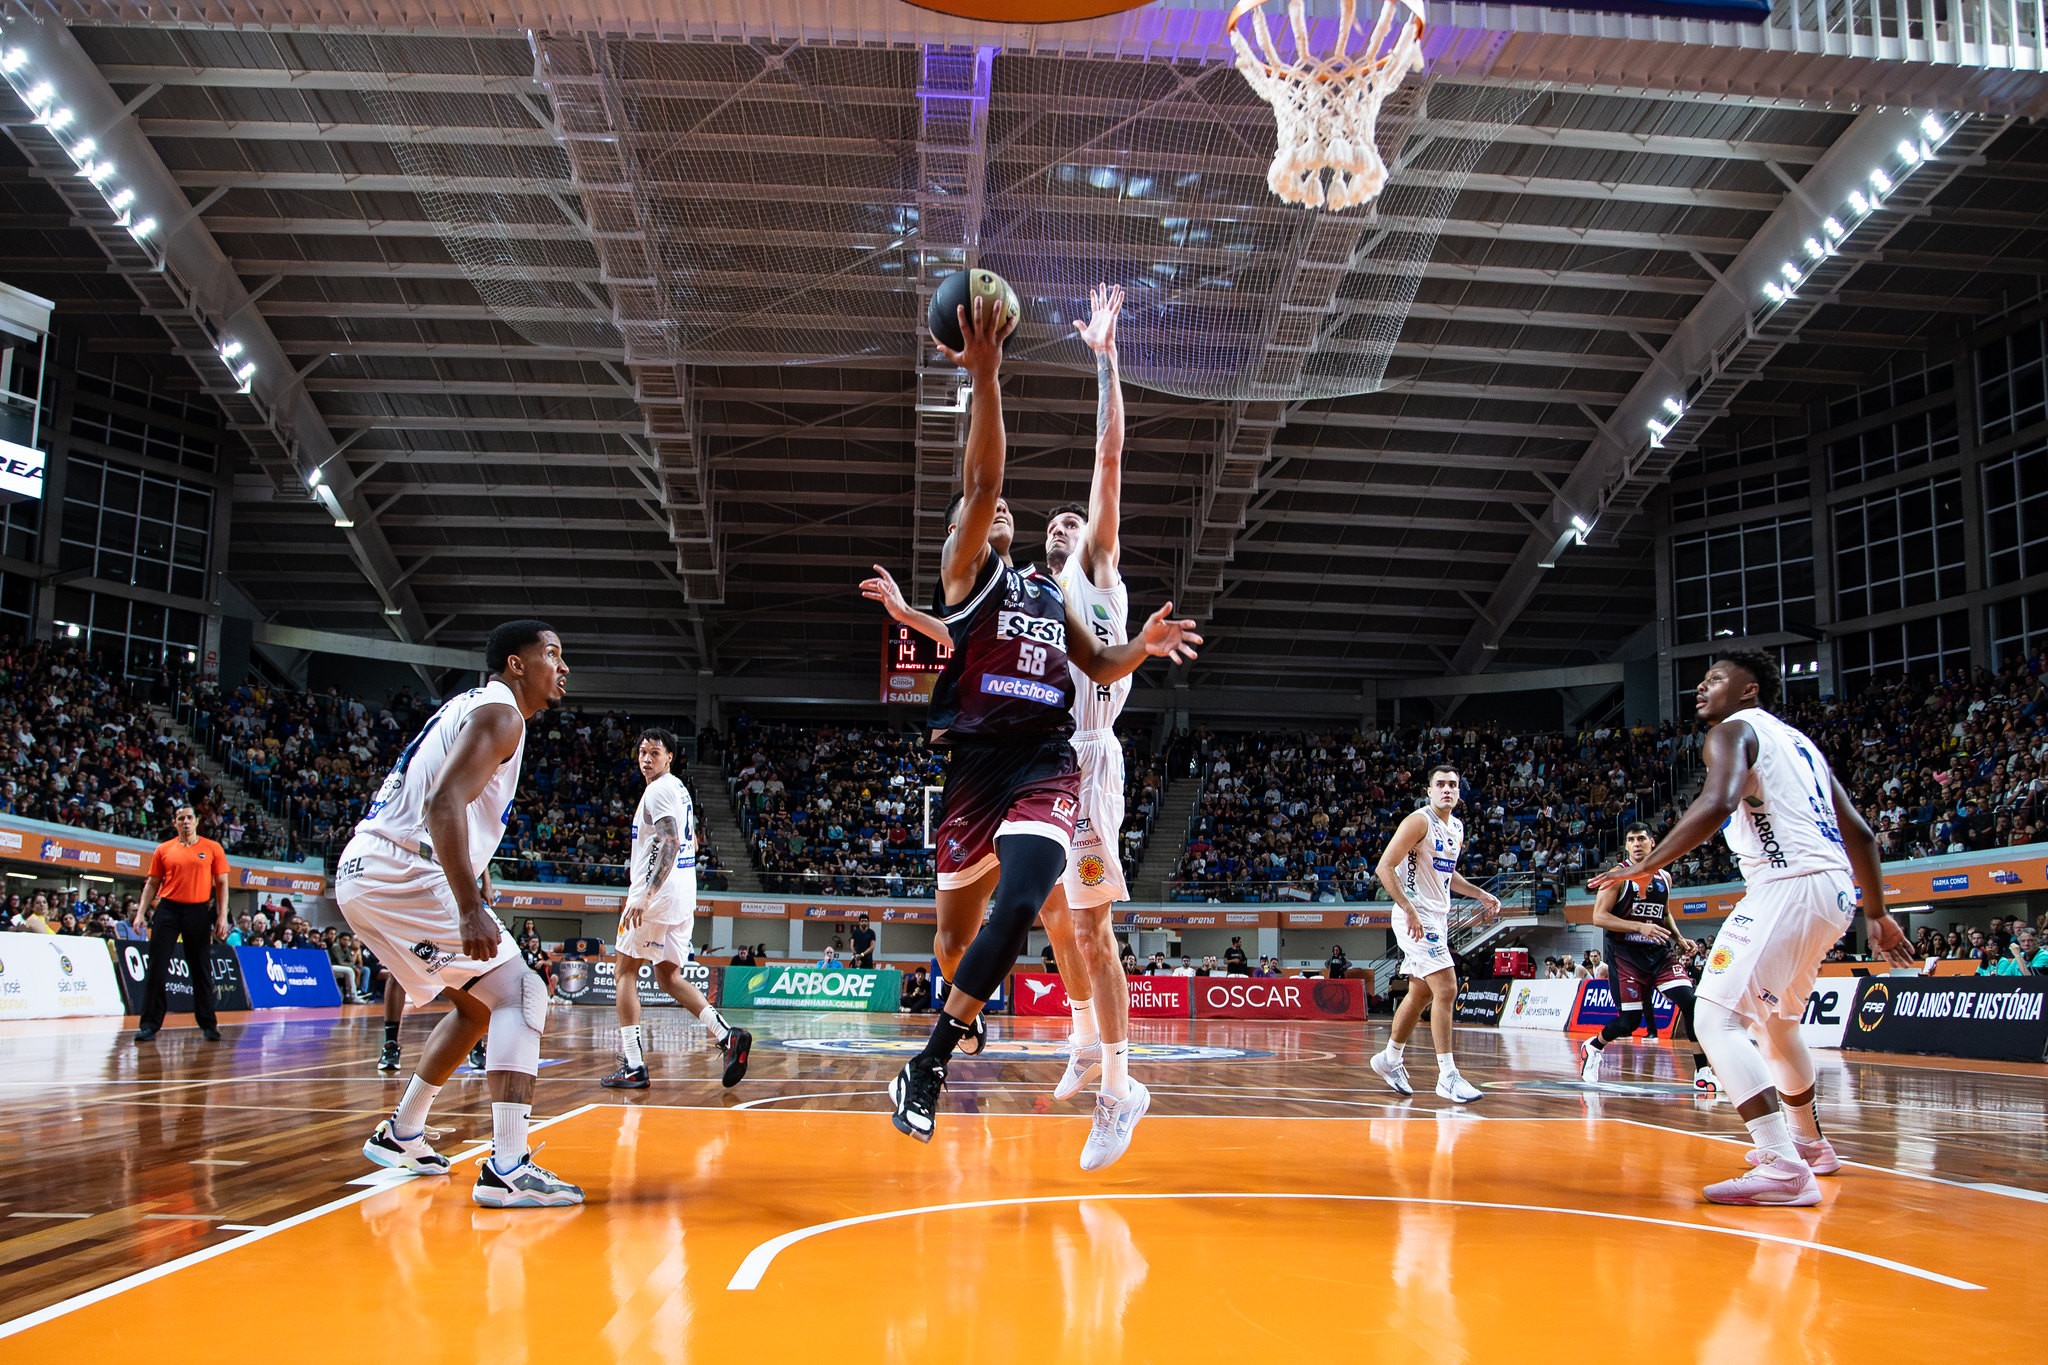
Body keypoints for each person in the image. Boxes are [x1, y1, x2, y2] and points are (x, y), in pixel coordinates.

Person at [864, 287, 1197, 1152]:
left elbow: (1108, 456)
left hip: (1067, 756)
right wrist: (909, 619)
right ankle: (1077, 1038)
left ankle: (1111, 1076)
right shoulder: (998, 580)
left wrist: (1101, 359)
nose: (1057, 520)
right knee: (1027, 921)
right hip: (984, 761)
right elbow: (972, 589)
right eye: (1048, 516)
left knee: (1069, 916)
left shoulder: (1086, 578)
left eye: (1069, 519)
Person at [1587, 651, 1914, 1207]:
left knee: (1714, 1018)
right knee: (1780, 1025)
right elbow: (1859, 832)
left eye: (1715, 679)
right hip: (1833, 892)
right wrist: (1877, 913)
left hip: (1787, 884)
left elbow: (1716, 804)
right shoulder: (1803, 746)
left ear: (1748, 691)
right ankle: (1810, 1145)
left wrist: (1642, 865)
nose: (1700, 687)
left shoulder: (1732, 731)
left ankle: (1781, 1164)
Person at [336, 620, 584, 1208]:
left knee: (476, 1006)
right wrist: (469, 906)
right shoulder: (504, 715)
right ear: (516, 665)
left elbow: (450, 803)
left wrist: (473, 876)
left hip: (364, 870)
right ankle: (508, 1166)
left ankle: (402, 1132)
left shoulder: (470, 707)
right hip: (404, 871)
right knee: (523, 992)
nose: (563, 666)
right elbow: (442, 801)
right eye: (552, 654)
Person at [602, 728, 749, 1091]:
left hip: (658, 895)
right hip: (684, 892)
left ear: (670, 757)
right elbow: (692, 841)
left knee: (624, 972)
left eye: (654, 752)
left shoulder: (659, 789)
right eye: (641, 751)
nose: (646, 758)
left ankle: (634, 1065)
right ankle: (726, 1034)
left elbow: (670, 839)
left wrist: (646, 895)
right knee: (668, 975)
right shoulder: (680, 789)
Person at [1369, 766, 1500, 1104]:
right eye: (1440, 784)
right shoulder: (1418, 821)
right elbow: (1384, 867)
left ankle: (1389, 1059)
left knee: (1421, 993)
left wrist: (1479, 894)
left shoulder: (1455, 826)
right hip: (1416, 916)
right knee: (1448, 987)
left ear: (1459, 792)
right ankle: (1448, 1076)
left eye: (1453, 785)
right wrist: (1410, 909)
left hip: (1438, 917)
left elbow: (1447, 874)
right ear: (1428, 790)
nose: (1447, 790)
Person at [1578, 822, 1715, 1093]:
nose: (1637, 843)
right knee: (1630, 1022)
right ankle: (1593, 1046)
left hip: (1659, 955)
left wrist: (1678, 938)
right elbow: (1599, 917)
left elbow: (1663, 912)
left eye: (1642, 838)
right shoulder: (1617, 876)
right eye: (1631, 840)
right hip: (1625, 956)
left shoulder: (1664, 877)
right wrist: (1639, 926)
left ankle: (1703, 1070)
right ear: (1626, 846)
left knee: (1691, 1005)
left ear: (1653, 843)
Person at [135, 805, 231, 1044]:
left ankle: (208, 1024)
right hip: (168, 909)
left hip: (198, 910)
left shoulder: (212, 848)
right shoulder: (164, 849)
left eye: (189, 818)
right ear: (174, 823)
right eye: (181, 819)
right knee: (157, 967)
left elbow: (221, 884)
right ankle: (149, 1025)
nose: (186, 822)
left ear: (197, 821)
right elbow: (152, 884)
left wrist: (222, 916)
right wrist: (140, 914)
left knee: (201, 968)